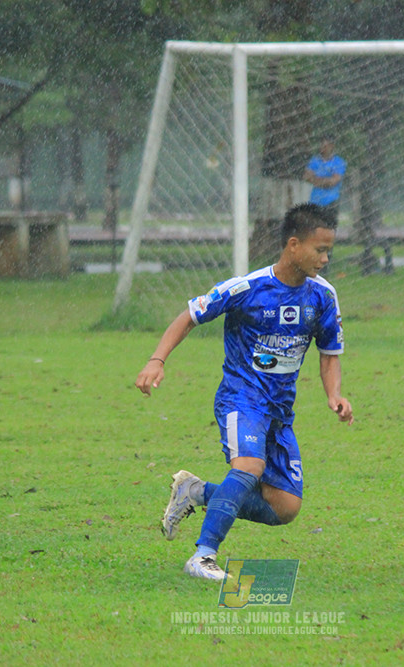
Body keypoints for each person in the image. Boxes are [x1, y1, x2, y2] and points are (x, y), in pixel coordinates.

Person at [135, 203, 354, 581]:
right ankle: (203, 556)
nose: (325, 259)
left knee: (285, 507)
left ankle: (197, 492)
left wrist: (334, 394)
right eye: (320, 250)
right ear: (293, 245)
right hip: (241, 398)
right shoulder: (247, 288)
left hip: (279, 412)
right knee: (249, 467)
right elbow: (190, 316)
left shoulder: (322, 296)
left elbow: (329, 354)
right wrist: (157, 360)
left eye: (328, 250)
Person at [304, 137, 346, 224]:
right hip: (315, 201)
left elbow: (334, 181)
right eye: (321, 146)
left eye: (325, 146)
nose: (322, 148)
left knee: (328, 227)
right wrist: (326, 181)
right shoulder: (315, 160)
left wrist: (316, 180)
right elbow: (307, 177)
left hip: (331, 202)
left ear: (332, 146)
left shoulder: (338, 162)